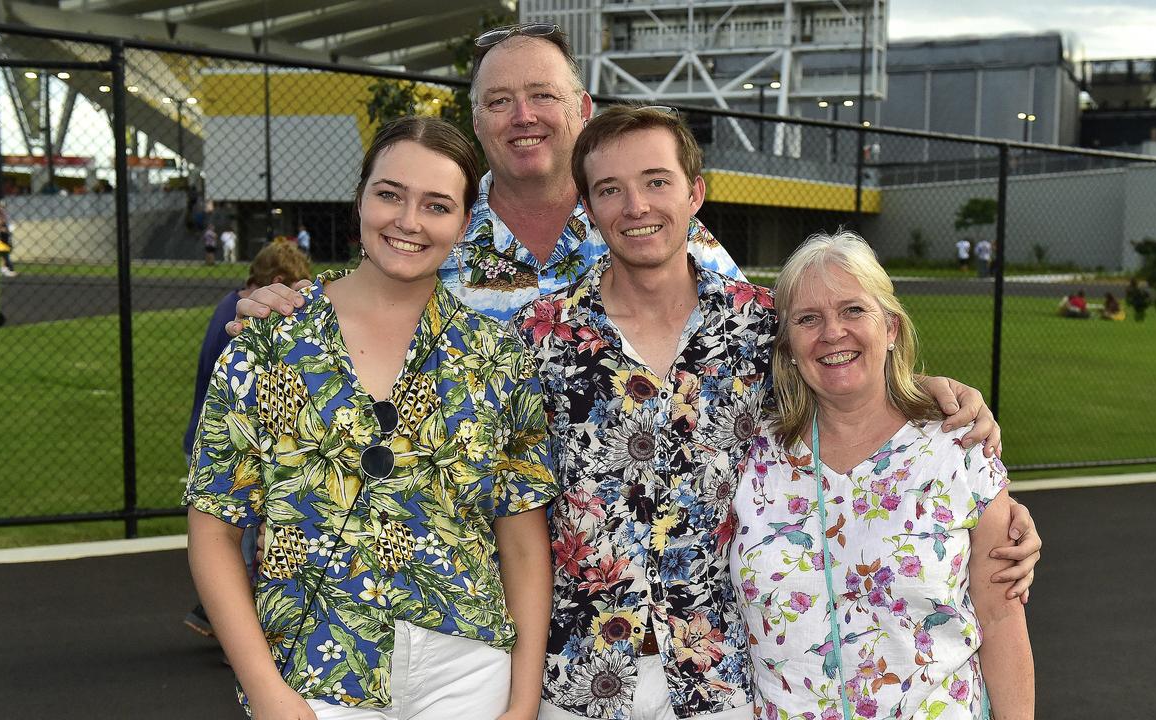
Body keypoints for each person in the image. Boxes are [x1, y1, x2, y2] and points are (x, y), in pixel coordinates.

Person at [511, 106, 1038, 720]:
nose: (636, 206)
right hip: (581, 676)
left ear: (695, 193)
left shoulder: (759, 326)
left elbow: (845, 363)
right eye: (610, 189)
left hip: (717, 682)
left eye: (657, 181)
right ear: (589, 206)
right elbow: (513, 509)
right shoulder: (538, 342)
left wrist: (942, 405)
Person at [185, 117, 557, 720]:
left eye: (437, 205)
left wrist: (522, 701)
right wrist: (265, 689)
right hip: (313, 668)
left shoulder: (497, 356)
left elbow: (520, 540)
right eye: (390, 194)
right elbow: (214, 530)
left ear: (465, 225)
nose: (408, 221)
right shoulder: (269, 342)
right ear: (359, 199)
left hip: (465, 670)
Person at [230, 22, 742, 329]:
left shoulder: (653, 228)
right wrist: (286, 307)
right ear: (476, 122)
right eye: (499, 101)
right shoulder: (433, 232)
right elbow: (360, 303)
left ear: (583, 109)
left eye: (543, 95)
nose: (523, 116)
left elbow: (754, 333)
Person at [731, 231, 1034, 719]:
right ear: (787, 346)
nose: (833, 333)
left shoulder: (958, 447)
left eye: (853, 310)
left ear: (891, 328)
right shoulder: (750, 456)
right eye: (809, 319)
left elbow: (1000, 618)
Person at [182, 239, 312, 638]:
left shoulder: (228, 304)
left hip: (207, 440)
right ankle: (234, 633)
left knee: (235, 544)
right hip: (233, 446)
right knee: (245, 548)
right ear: (276, 282)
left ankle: (212, 616)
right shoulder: (247, 325)